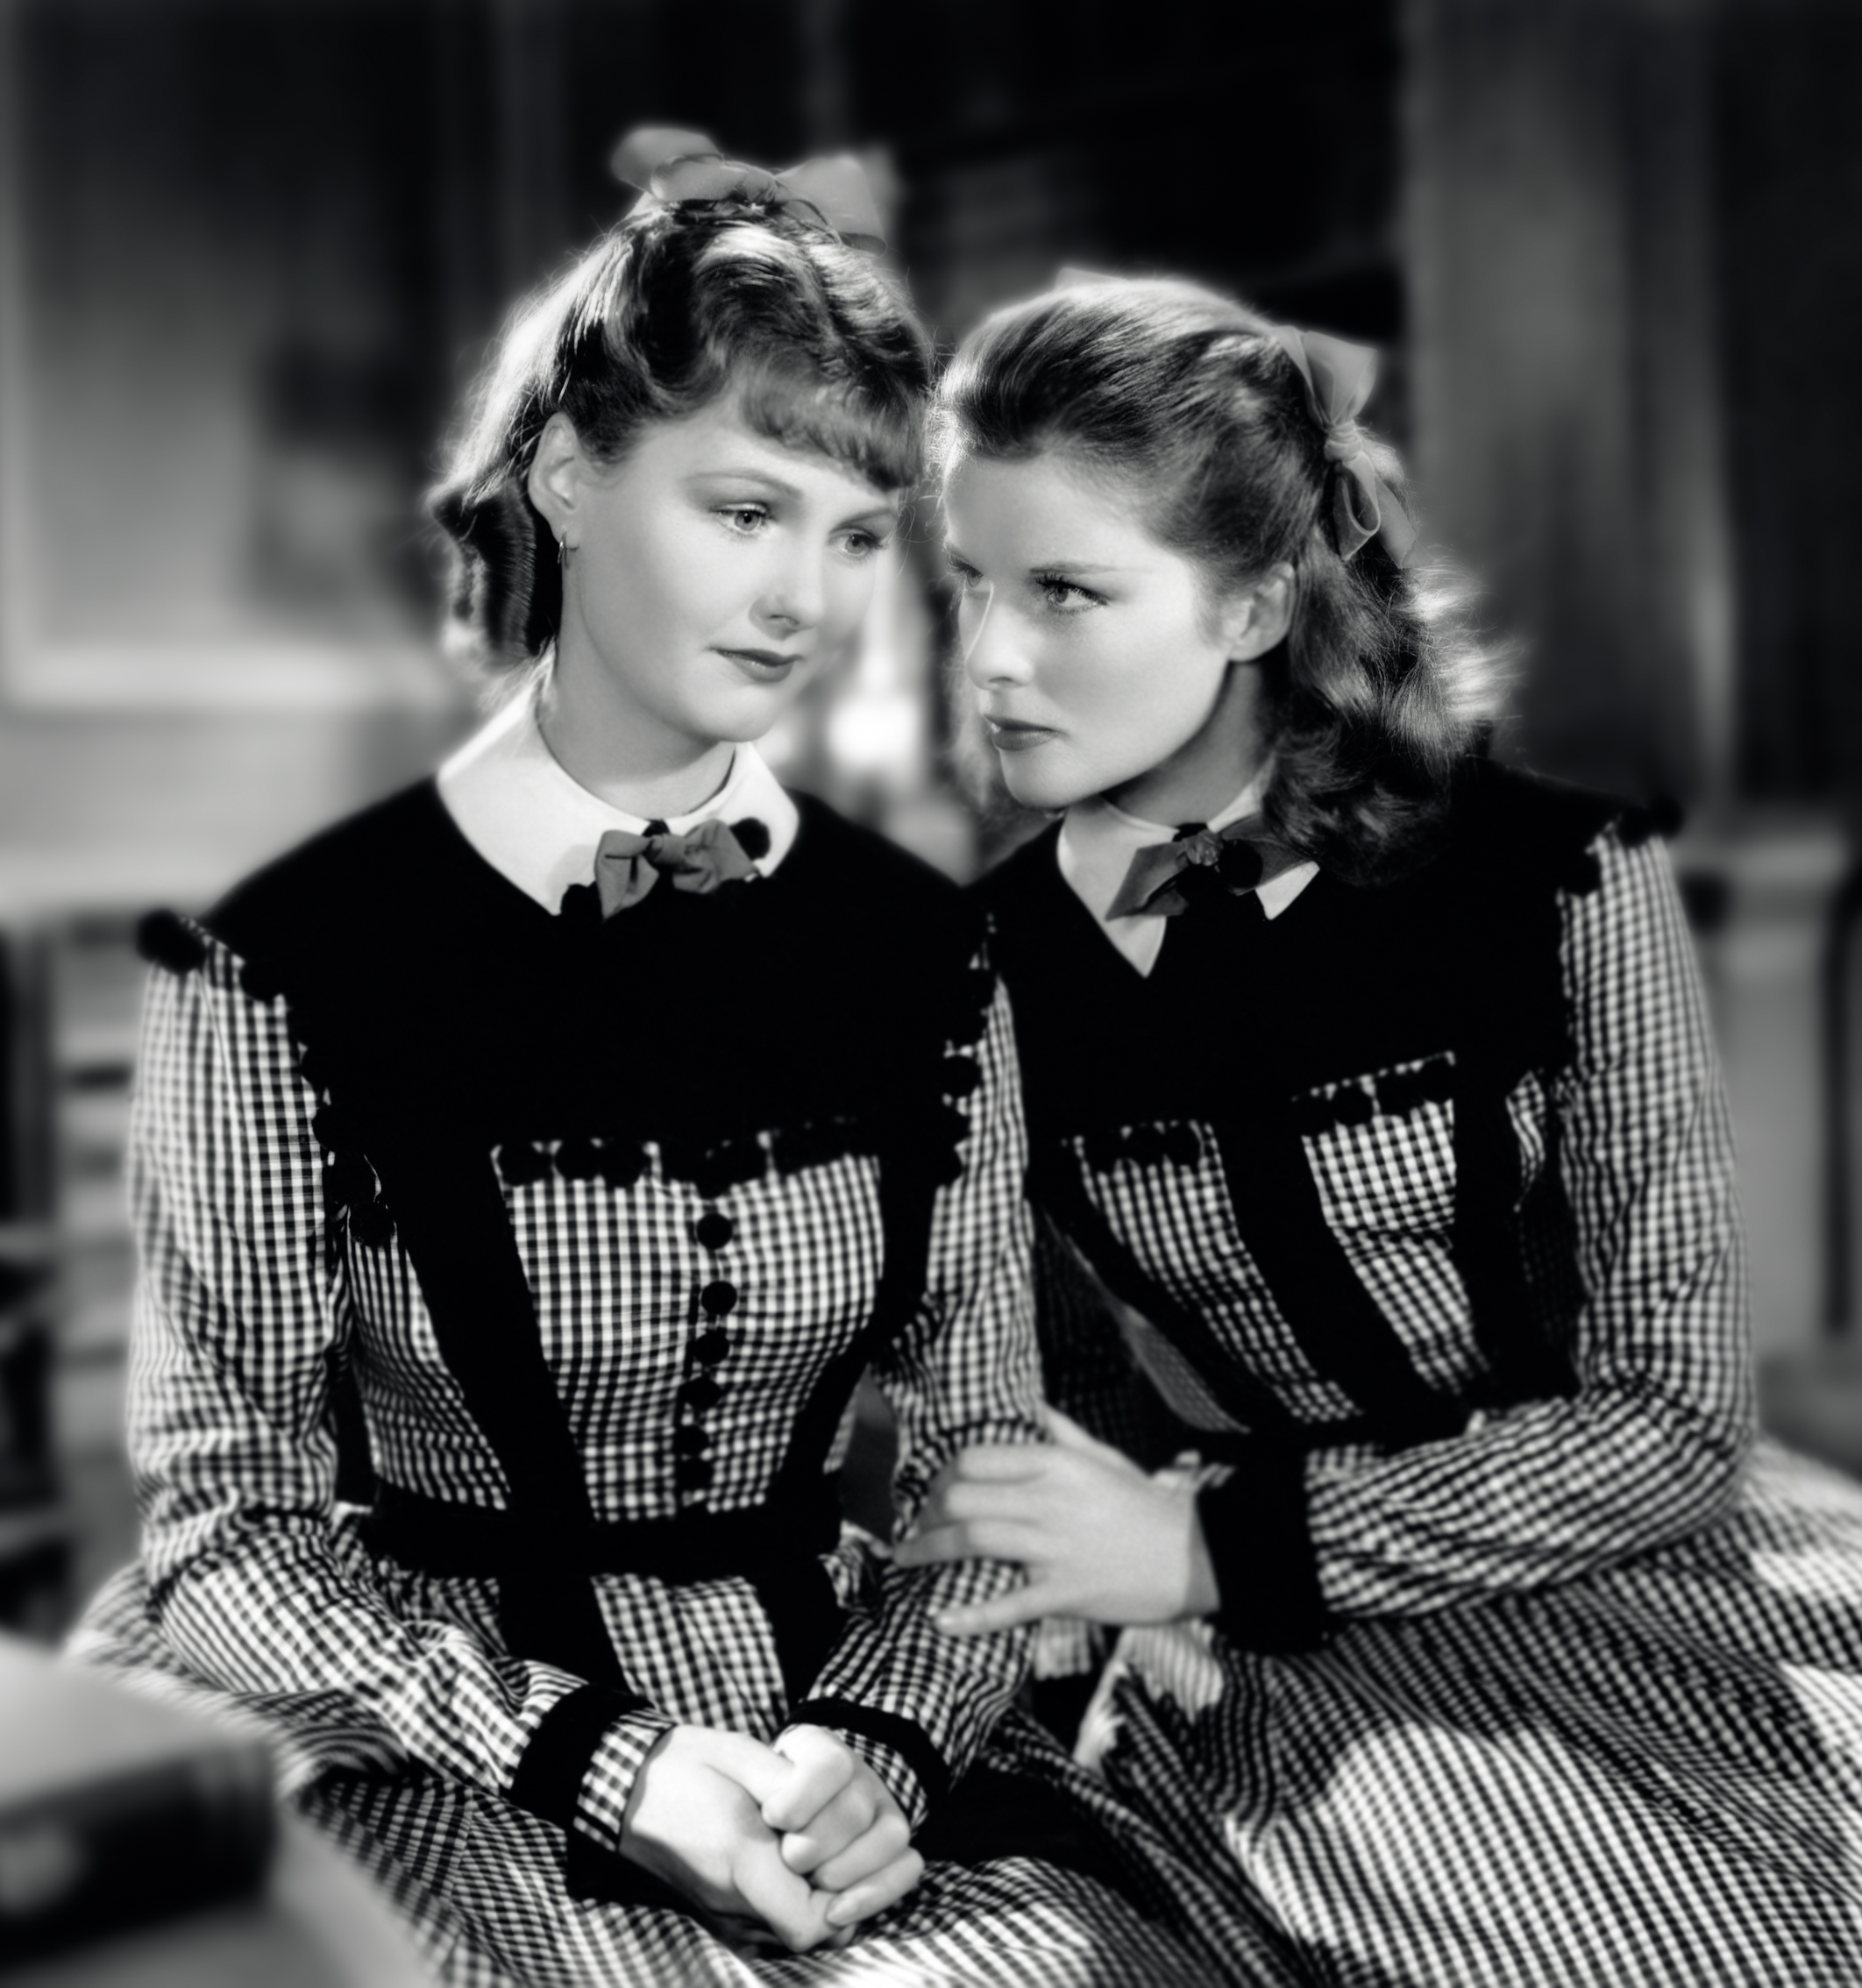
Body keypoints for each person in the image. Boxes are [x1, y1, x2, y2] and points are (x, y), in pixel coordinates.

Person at [905, 272, 1862, 1984]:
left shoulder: (1562, 880)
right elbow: (1036, 1424)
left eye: (1066, 592)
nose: (989, 659)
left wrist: (1216, 1545)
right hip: (1283, 1685)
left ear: (1254, 605)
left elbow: (1674, 1420)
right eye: (971, 585)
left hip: (1645, 1576)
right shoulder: (972, 981)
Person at [68, 141, 1278, 1987]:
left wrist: (880, 1745)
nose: (804, 596)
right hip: (430, 1735)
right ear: (568, 478)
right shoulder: (277, 967)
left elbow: (981, 1467)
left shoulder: (927, 955)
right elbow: (223, 1530)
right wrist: (602, 1762)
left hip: (828, 1725)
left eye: (855, 536)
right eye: (743, 510)